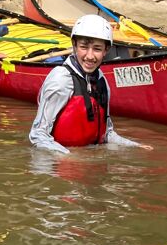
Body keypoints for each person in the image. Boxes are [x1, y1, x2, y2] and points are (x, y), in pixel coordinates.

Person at [29, 14, 152, 154]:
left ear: (106, 50)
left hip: (89, 165)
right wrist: (68, 157)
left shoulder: (101, 81)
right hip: (59, 166)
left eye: (97, 49)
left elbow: (107, 134)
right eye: (84, 47)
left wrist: (134, 146)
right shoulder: (61, 79)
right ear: (74, 45)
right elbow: (38, 136)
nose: (90, 56)